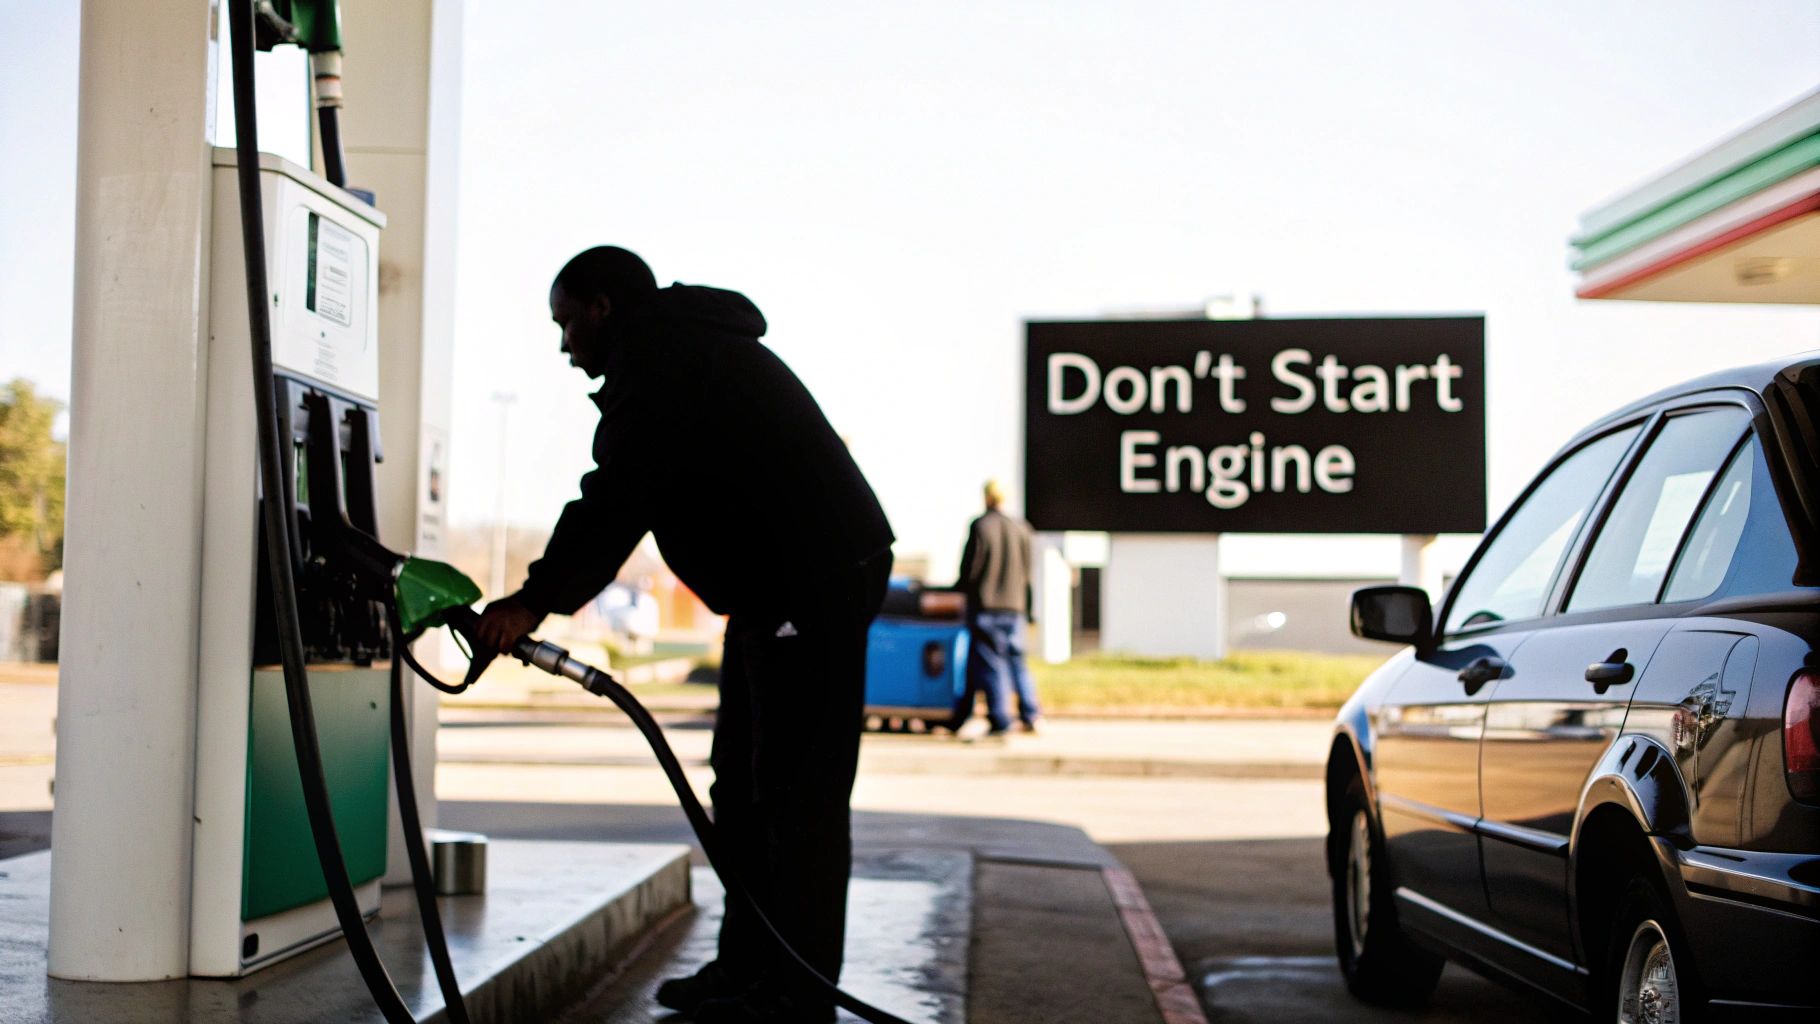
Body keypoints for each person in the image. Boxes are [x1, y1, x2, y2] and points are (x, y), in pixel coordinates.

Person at [475, 246, 893, 1024]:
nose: (565, 347)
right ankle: (749, 965)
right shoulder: (672, 350)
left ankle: (797, 995)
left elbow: (613, 502)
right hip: (775, 592)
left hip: (816, 580)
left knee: (796, 796)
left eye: (567, 323)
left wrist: (532, 603)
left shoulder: (666, 362)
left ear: (602, 306)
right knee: (739, 783)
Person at [946, 479, 1042, 735]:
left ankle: (1001, 719)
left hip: (987, 607)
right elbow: (1027, 573)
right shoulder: (1022, 528)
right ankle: (1031, 714)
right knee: (1018, 662)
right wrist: (1029, 609)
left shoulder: (981, 526)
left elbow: (971, 569)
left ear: (986, 497)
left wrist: (959, 590)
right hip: (1016, 608)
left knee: (992, 664)